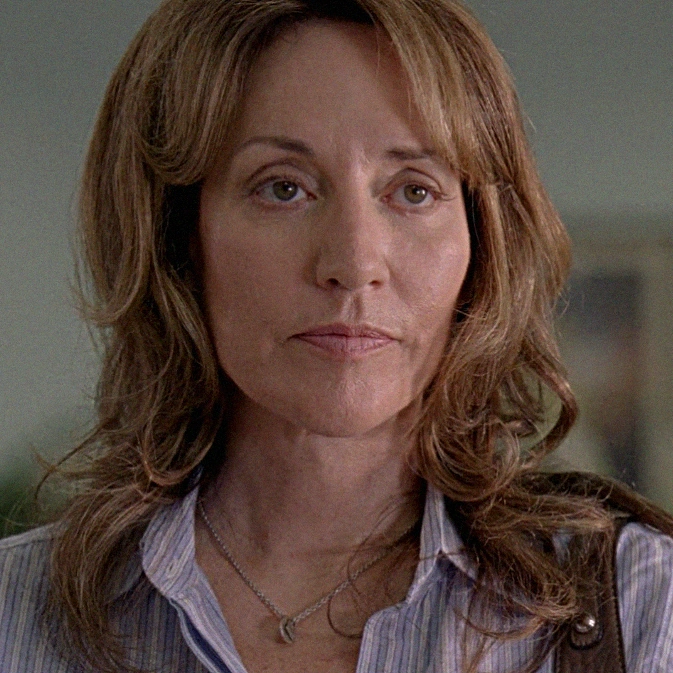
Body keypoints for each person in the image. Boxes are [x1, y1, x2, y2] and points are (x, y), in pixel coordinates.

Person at [1, 1, 672, 672]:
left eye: (413, 191)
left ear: (481, 242)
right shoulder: (15, 615)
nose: (353, 262)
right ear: (177, 237)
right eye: (282, 188)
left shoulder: (642, 605)